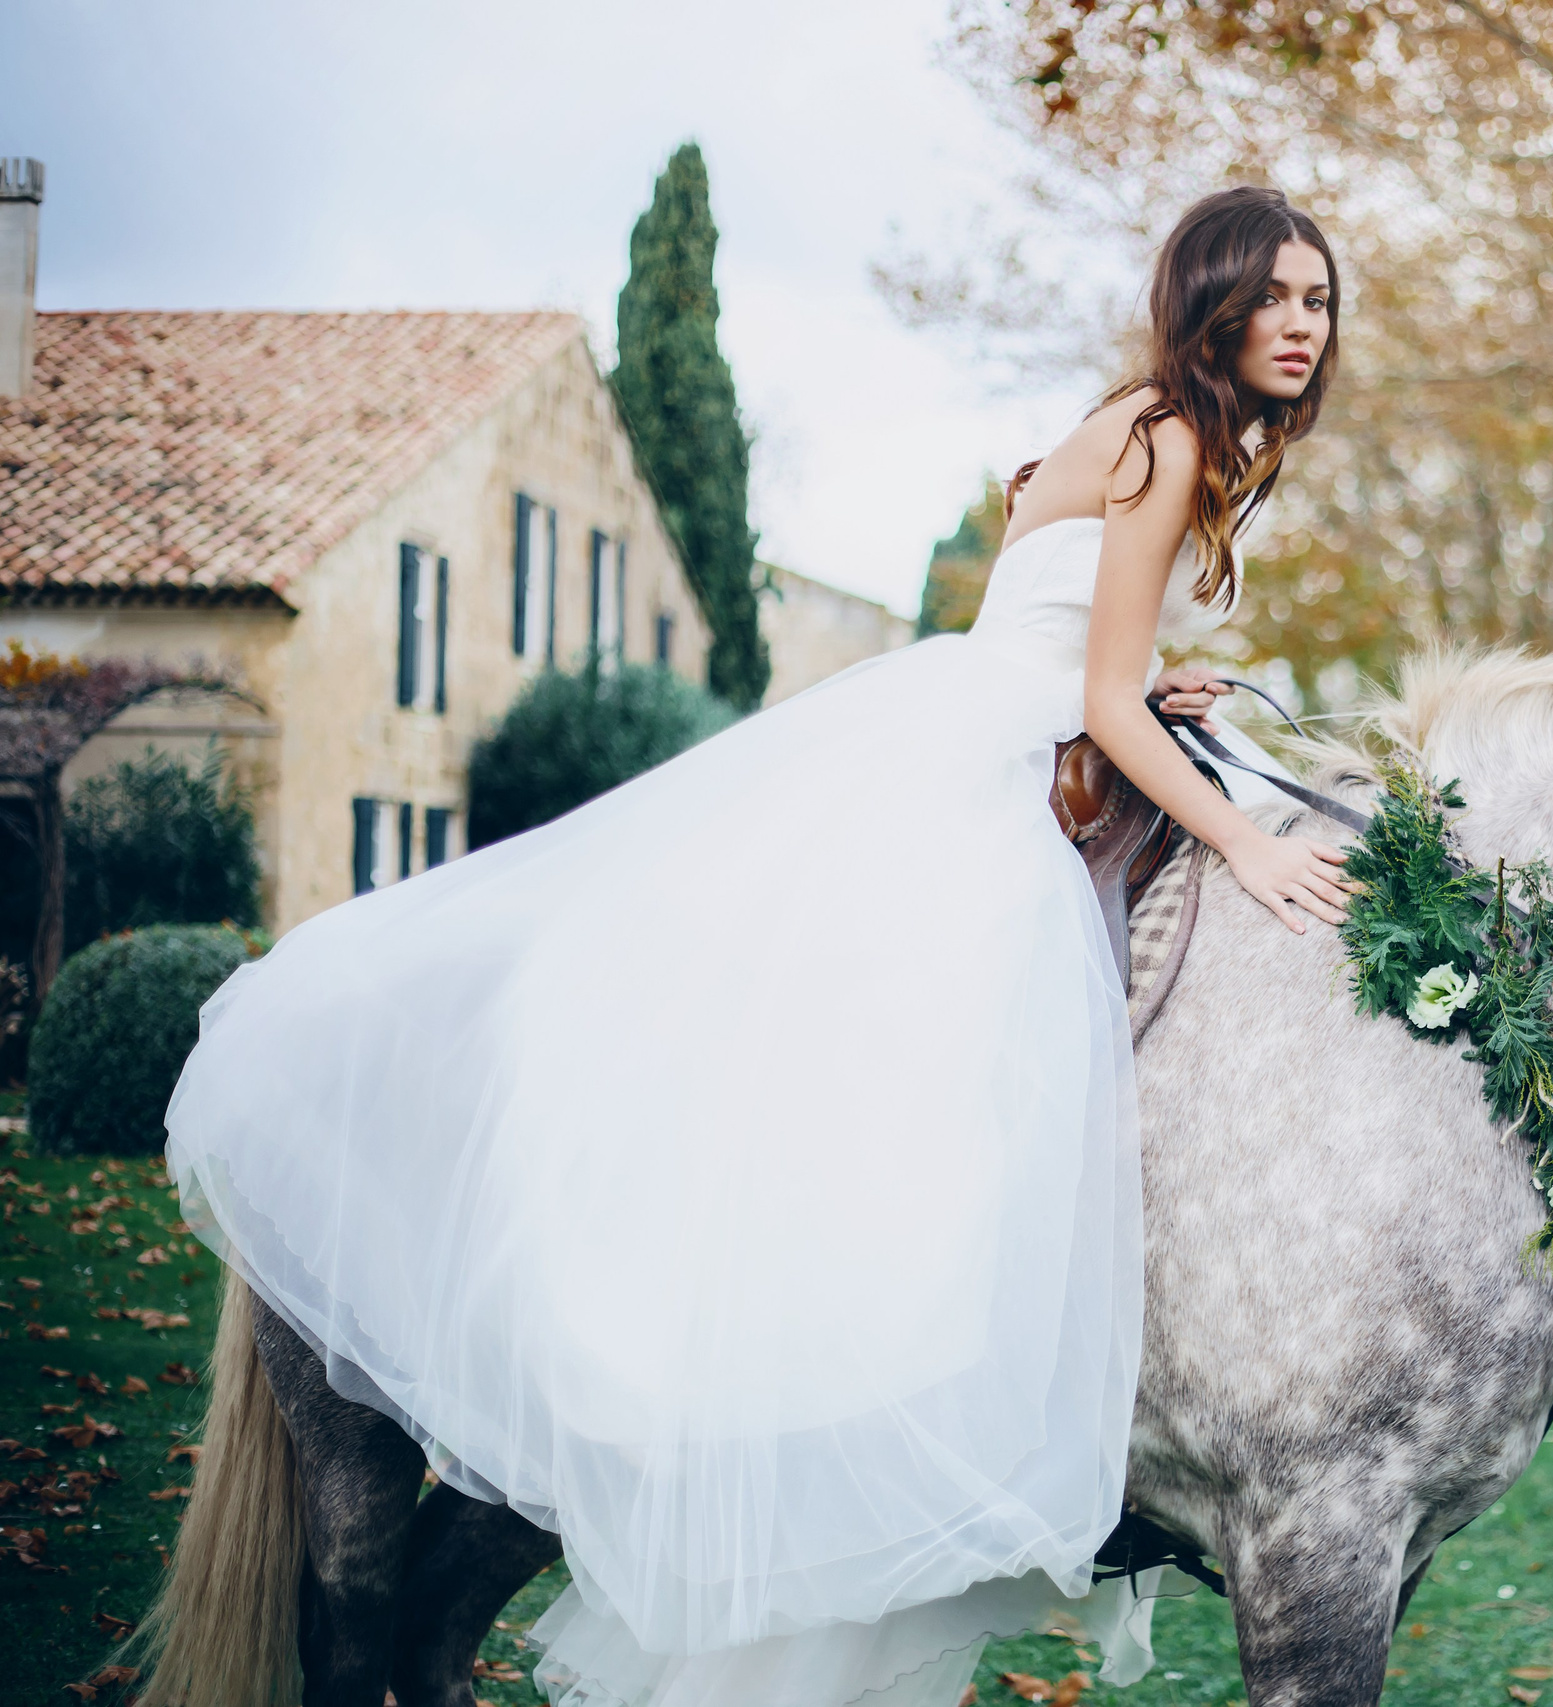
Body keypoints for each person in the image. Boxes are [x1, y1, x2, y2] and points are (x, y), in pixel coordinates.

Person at [162, 185, 1347, 1707]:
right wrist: (1248, 837)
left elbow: (1083, 652)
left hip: (989, 718)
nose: (1303, 326)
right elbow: (1095, 693)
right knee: (943, 1075)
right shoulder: (1169, 437)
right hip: (987, 758)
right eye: (1277, 297)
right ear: (1217, 301)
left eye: (1320, 301)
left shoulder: (1139, 427)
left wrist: (1145, 680)